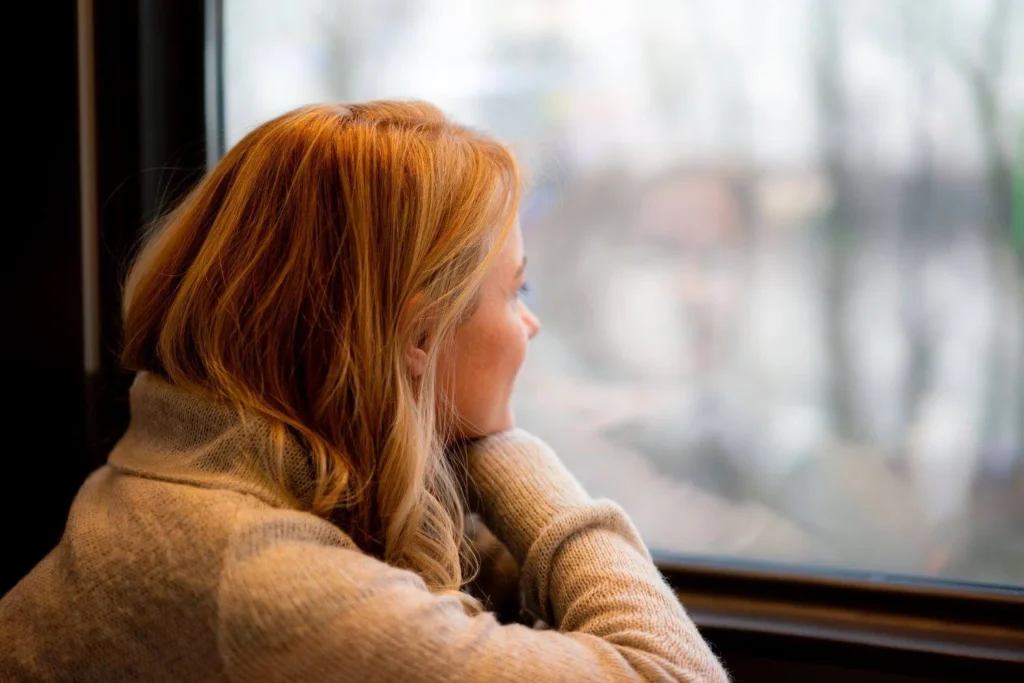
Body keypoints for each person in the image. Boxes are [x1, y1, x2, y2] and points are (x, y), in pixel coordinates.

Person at [0, 102, 727, 682]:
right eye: (517, 288)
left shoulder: (216, 477)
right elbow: (672, 672)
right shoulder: (261, 581)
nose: (531, 324)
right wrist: (508, 451)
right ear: (417, 330)